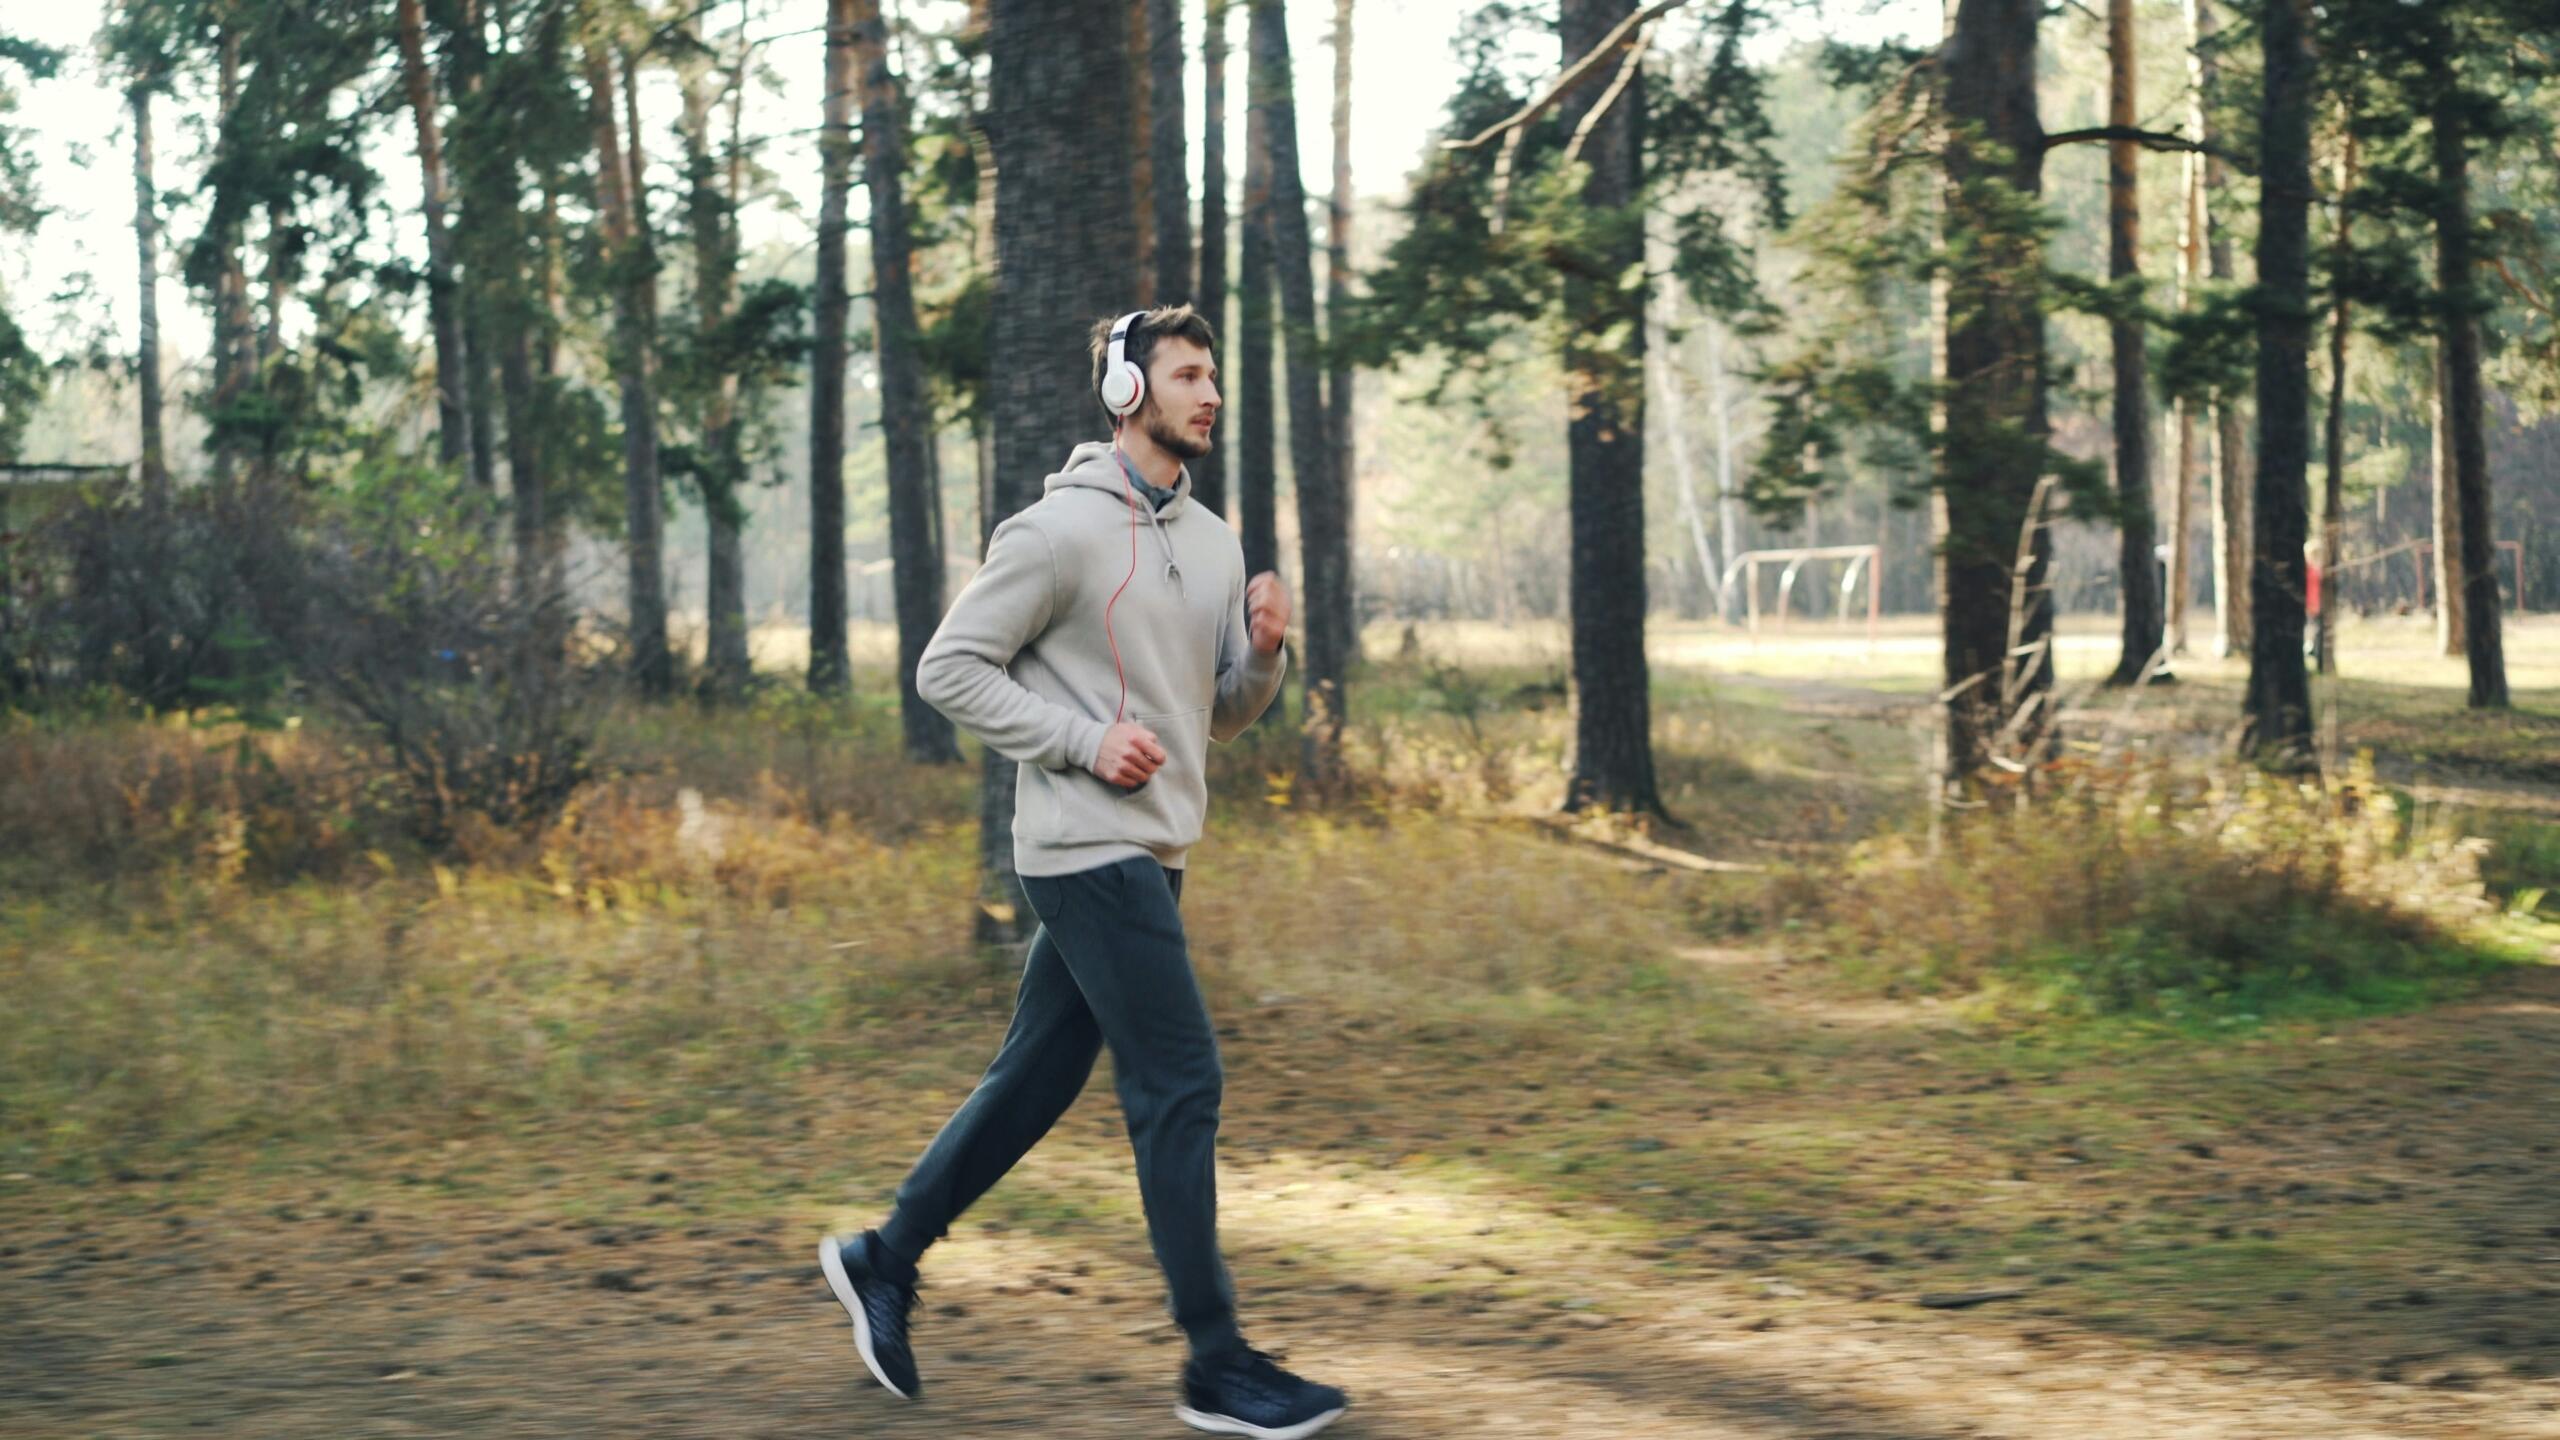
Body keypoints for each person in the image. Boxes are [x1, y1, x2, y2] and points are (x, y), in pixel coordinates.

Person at [819, 304, 1350, 1440]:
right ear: (1126, 393)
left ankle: (883, 1256)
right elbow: (948, 668)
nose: (1210, 394)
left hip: (1155, 846)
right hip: (1079, 846)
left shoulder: (1214, 544)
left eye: (1213, 376)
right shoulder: (1054, 533)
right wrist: (1079, 741)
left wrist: (1264, 656)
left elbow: (1221, 715)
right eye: (1187, 375)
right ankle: (1216, 1362)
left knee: (1037, 1078)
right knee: (1181, 1081)